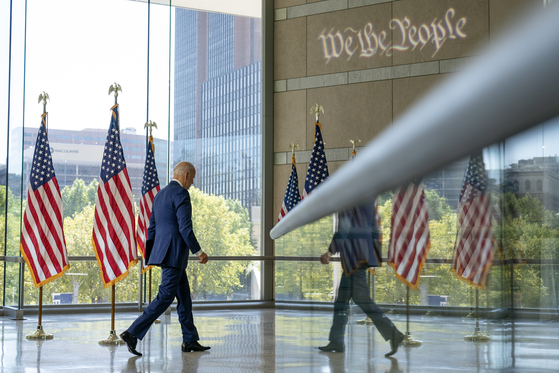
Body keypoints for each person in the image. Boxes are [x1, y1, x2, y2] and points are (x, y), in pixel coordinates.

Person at [120, 161, 210, 356]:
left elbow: (151, 229)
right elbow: (185, 228)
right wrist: (199, 252)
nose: (192, 183)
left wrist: (152, 254)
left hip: (165, 254)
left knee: (184, 298)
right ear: (185, 175)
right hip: (175, 254)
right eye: (192, 178)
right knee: (164, 298)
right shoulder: (181, 194)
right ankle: (132, 332)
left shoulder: (160, 195)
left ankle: (190, 340)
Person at [318, 203, 404, 357]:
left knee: (362, 299)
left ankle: (394, 334)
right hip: (360, 257)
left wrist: (329, 252)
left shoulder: (349, 199)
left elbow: (343, 230)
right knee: (341, 303)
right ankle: (336, 341)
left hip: (354, 261)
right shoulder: (363, 198)